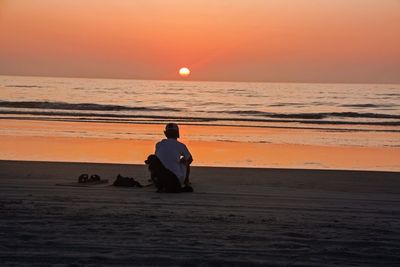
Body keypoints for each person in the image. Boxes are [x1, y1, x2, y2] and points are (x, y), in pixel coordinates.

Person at [145, 123, 193, 193]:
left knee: (155, 161)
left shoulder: (159, 144)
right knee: (185, 160)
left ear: (165, 133)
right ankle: (186, 181)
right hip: (176, 180)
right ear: (177, 134)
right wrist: (181, 161)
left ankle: (154, 179)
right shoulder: (181, 145)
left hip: (160, 180)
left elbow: (157, 159)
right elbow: (190, 159)